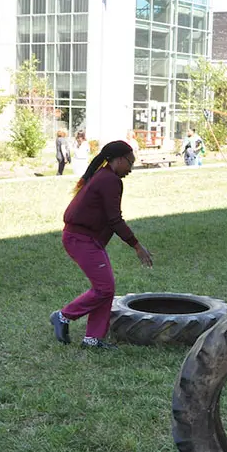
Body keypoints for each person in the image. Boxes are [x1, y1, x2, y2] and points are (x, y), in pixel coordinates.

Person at [50, 141, 154, 351]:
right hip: (80, 239)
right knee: (104, 288)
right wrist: (136, 246)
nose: (131, 169)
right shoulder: (109, 180)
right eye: (129, 163)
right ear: (118, 160)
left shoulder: (106, 176)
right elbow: (115, 219)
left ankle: (93, 339)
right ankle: (62, 316)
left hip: (86, 239)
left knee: (106, 288)